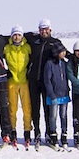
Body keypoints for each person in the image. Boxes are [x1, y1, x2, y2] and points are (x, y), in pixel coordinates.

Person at [26, 19, 64, 147]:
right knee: (35, 109)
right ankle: (37, 132)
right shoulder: (33, 41)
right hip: (33, 80)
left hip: (48, 83)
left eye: (46, 29)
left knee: (48, 109)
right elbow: (18, 36)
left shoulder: (55, 43)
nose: (44, 31)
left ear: (50, 30)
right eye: (42, 29)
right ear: (39, 30)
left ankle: (49, 132)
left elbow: (65, 54)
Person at [4, 26, 32, 148]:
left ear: (22, 36)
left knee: (27, 109)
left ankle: (27, 132)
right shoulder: (6, 48)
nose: (17, 37)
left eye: (19, 35)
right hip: (11, 82)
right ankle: (13, 132)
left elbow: (33, 60)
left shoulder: (27, 48)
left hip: (24, 81)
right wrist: (5, 70)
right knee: (12, 109)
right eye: (14, 35)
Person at [41, 42, 71, 148]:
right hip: (53, 95)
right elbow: (47, 80)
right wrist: (51, 94)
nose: (64, 53)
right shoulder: (49, 64)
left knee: (63, 115)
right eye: (62, 52)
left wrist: (67, 90)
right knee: (53, 116)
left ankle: (64, 134)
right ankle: (53, 134)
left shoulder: (64, 63)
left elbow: (66, 78)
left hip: (64, 93)